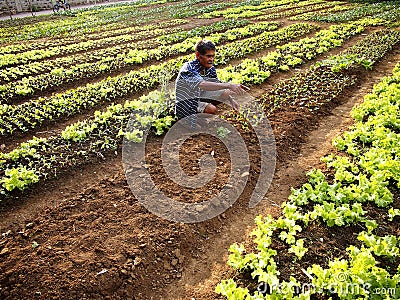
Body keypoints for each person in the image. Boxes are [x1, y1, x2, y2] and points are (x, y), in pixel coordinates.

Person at [175, 40, 249, 128]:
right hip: (186, 104)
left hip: (198, 97)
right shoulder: (188, 69)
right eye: (208, 56)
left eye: (213, 56)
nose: (211, 59)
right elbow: (202, 84)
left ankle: (199, 117)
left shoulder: (210, 68)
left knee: (226, 92)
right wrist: (229, 85)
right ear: (198, 55)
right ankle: (185, 119)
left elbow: (217, 86)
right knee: (211, 109)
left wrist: (232, 101)